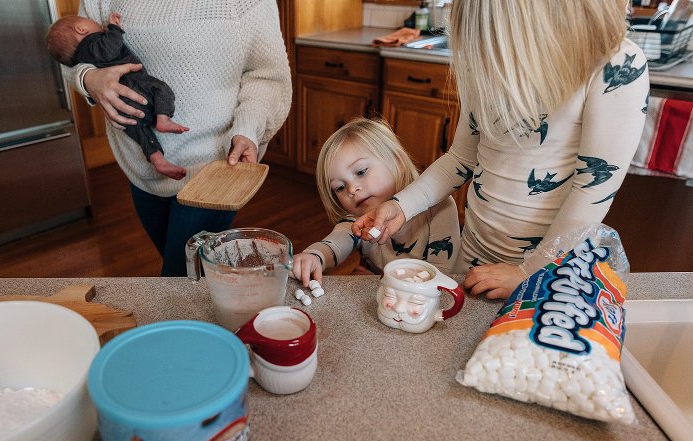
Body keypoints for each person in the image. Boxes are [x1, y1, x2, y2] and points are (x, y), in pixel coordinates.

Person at [353, 0, 648, 299]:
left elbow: (592, 189)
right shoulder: (488, 61)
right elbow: (459, 159)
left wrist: (529, 271)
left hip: (550, 271)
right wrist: (402, 206)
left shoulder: (616, 65)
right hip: (473, 254)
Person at [61, 1, 292, 277]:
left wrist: (247, 127)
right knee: (193, 280)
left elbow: (267, 75)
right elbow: (69, 53)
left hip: (214, 170)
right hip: (141, 166)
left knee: (178, 279)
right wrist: (89, 79)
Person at [291, 118, 460, 287]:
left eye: (361, 172)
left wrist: (380, 281)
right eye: (340, 187)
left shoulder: (440, 207)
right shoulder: (357, 222)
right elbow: (333, 245)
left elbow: (441, 275)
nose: (351, 189)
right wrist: (314, 256)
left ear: (398, 162)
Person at [47, 12, 189, 179]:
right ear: (81, 29)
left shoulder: (82, 57)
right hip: (135, 86)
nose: (99, 25)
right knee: (161, 89)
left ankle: (157, 159)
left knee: (141, 134)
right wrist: (114, 29)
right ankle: (163, 118)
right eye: (92, 22)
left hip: (118, 107)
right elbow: (109, 48)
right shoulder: (91, 44)